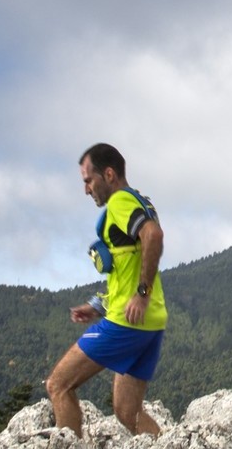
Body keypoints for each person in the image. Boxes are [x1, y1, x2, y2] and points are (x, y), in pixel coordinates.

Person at [45, 143, 167, 438]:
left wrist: (142, 293)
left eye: (89, 180)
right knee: (128, 411)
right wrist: (98, 305)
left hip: (126, 322)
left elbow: (153, 235)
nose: (86, 189)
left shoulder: (120, 202)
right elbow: (127, 267)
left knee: (58, 385)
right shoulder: (140, 202)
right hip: (151, 322)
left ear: (109, 174)